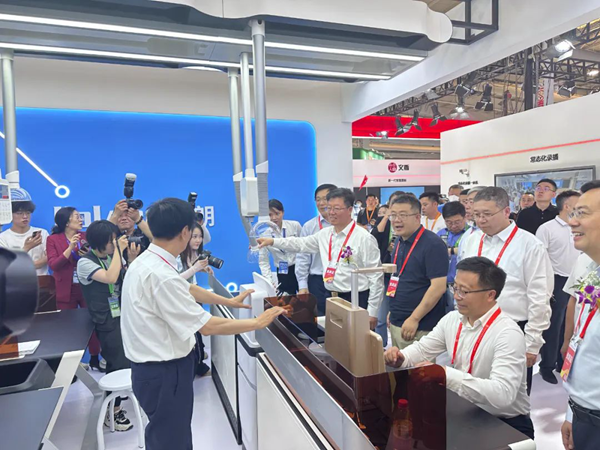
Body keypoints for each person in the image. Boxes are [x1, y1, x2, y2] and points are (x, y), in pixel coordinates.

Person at [120, 198, 285, 450]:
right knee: (172, 441)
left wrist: (229, 301)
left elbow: (186, 288)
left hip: (153, 370)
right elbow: (206, 326)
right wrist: (257, 322)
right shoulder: (160, 274)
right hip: (165, 372)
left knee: (166, 434)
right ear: (185, 231)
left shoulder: (148, 261)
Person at [384, 257, 534, 440]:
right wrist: (402, 357)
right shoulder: (453, 319)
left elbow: (502, 394)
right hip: (467, 411)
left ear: (490, 295)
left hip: (505, 423)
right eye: (455, 288)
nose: (456, 296)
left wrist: (446, 375)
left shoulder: (508, 333)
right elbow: (423, 349)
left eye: (464, 291)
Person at [458, 187, 553, 395]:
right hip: (473, 327)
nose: (481, 220)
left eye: (487, 214)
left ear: (506, 211)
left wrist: (532, 343)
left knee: (511, 397)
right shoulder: (472, 240)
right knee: (472, 390)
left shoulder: (530, 245)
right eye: (476, 214)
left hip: (511, 330)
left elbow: (539, 296)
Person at [257, 188, 383, 329]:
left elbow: (376, 277)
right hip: (331, 296)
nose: (331, 212)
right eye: (329, 208)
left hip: (356, 298)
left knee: (357, 339)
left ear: (349, 210)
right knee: (334, 338)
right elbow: (300, 243)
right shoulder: (325, 234)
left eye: (336, 208)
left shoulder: (364, 238)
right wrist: (272, 241)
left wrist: (372, 312)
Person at [77, 220, 137, 430]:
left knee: (123, 360)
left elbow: (125, 279)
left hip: (120, 314)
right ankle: (112, 412)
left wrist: (130, 259)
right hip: (105, 318)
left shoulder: (112, 257)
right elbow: (110, 277)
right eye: (112, 241)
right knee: (117, 362)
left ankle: (115, 404)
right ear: (99, 242)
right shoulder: (85, 263)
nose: (115, 244)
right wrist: (119, 252)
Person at [560, 181, 600, 450]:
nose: (572, 222)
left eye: (582, 214)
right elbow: (583, 342)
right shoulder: (591, 268)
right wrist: (571, 413)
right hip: (584, 413)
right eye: (572, 213)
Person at [386, 195, 448, 349]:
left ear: (417, 217)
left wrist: (414, 318)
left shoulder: (432, 244)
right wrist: (392, 311)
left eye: (403, 215)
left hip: (419, 324)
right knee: (397, 363)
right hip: (398, 318)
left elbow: (438, 287)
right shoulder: (399, 240)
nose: (397, 220)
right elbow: (399, 277)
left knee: (417, 365)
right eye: (393, 215)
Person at [47, 207, 102, 370]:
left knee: (91, 322)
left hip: (86, 286)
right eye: (77, 217)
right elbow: (54, 265)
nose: (81, 220)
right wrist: (70, 247)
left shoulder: (85, 237)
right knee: (68, 327)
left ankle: (95, 357)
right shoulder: (53, 239)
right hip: (65, 288)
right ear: (66, 221)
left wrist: (87, 254)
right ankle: (71, 365)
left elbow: (98, 258)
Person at [535, 190, 581, 384]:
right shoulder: (547, 229)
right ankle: (547, 365)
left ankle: (564, 363)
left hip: (578, 279)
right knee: (553, 325)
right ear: (567, 206)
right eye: (578, 203)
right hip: (555, 280)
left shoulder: (580, 225)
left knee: (572, 324)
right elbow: (539, 259)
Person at [177, 221, 213, 377]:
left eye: (200, 236)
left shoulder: (193, 253)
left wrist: (201, 269)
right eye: (194, 237)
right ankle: (198, 366)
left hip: (193, 295)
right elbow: (175, 280)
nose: (198, 240)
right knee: (194, 333)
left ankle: (199, 358)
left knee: (198, 332)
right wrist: (195, 268)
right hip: (183, 299)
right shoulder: (178, 256)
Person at [296, 184, 336, 316]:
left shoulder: (347, 225)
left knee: (341, 319)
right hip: (317, 281)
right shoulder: (309, 226)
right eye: (318, 199)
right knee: (319, 319)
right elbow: (302, 256)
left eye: (325, 198)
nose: (321, 203)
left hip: (341, 279)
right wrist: (302, 285)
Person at [371, 190, 405, 346]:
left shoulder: (408, 224)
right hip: (385, 273)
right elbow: (374, 235)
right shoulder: (385, 223)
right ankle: (381, 346)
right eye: (393, 204)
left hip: (402, 275)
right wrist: (386, 216)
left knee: (399, 313)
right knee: (381, 313)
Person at [0, 188, 49, 275]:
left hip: (42, 280)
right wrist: (27, 247)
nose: (25, 216)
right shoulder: (3, 238)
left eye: (28, 213)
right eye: (19, 213)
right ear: (10, 214)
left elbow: (50, 256)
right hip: (15, 281)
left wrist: (26, 266)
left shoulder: (42, 233)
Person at [258, 199, 302, 294]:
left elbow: (303, 246)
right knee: (287, 299)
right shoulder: (264, 234)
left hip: (299, 268)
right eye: (270, 215)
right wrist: (269, 281)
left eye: (277, 214)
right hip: (282, 271)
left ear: (283, 212)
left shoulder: (294, 226)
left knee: (306, 298)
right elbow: (263, 261)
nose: (274, 218)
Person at [438, 201, 470, 313]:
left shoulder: (472, 234)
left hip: (463, 286)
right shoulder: (440, 234)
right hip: (442, 285)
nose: (453, 226)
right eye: (449, 222)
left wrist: (451, 251)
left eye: (457, 222)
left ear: (465, 217)